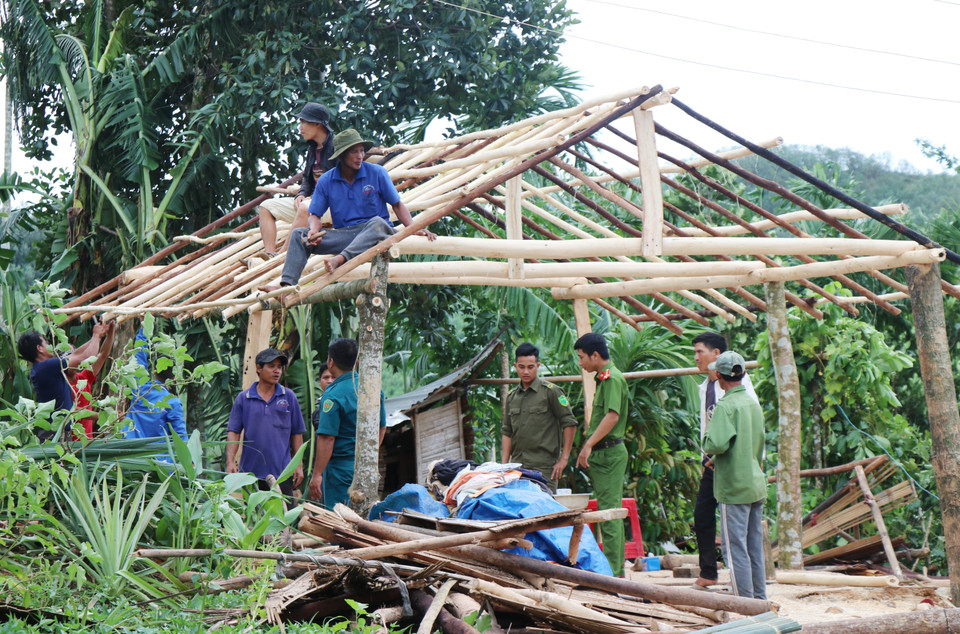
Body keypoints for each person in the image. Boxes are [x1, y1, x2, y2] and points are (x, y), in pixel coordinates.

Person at [260, 128, 437, 292]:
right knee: (300, 235)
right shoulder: (326, 181)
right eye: (354, 152)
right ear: (341, 155)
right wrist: (314, 231)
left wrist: (414, 228)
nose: (360, 156)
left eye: (362, 151)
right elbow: (314, 215)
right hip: (346, 236)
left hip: (377, 233)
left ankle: (340, 260)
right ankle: (285, 286)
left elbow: (397, 205)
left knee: (377, 222)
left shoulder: (377, 173)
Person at [691, 332, 758, 589]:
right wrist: (705, 458)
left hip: (733, 464)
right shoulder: (706, 386)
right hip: (710, 463)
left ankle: (743, 582)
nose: (696, 357)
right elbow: (707, 426)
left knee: (736, 527)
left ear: (717, 355)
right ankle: (708, 571)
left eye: (700, 352)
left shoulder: (739, 387)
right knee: (702, 514)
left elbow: (750, 425)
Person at [702, 351, 767, 600]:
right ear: (744, 373)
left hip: (734, 488)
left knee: (735, 549)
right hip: (754, 484)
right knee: (753, 548)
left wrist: (709, 439)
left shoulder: (726, 406)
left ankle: (744, 603)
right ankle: (759, 600)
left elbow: (714, 444)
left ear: (718, 375)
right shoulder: (752, 403)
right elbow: (750, 444)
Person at [574, 333, 629, 577]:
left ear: (595, 355)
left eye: (582, 357)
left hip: (609, 454)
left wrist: (588, 445)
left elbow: (612, 416)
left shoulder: (612, 379)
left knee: (609, 514)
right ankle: (613, 570)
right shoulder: (604, 379)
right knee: (608, 512)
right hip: (603, 454)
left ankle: (613, 573)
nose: (581, 363)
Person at [309, 338, 386, 510]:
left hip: (339, 471)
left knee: (340, 522)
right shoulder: (373, 388)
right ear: (357, 362)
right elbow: (381, 428)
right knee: (364, 518)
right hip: (367, 468)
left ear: (331, 361)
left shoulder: (333, 395)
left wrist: (317, 474)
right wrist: (368, 456)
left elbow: (327, 438)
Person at [257, 102, 335, 255]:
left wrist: (310, 198)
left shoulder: (336, 146)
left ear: (317, 124)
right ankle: (270, 253)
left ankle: (282, 257)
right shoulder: (313, 148)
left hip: (332, 206)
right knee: (266, 206)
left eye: (303, 122)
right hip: (310, 206)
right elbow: (307, 179)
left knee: (305, 206)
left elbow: (337, 184)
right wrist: (301, 194)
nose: (300, 127)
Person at [226, 349, 305, 496]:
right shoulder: (244, 398)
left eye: (280, 367)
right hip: (250, 475)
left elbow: (296, 434)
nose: (277, 371)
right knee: (255, 517)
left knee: (282, 516)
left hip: (283, 473)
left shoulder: (289, 397)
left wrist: (298, 465)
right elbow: (234, 432)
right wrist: (230, 461)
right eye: (271, 366)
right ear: (258, 368)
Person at [501, 342, 577, 492]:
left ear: (538, 365)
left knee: (544, 508)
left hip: (545, 468)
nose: (526, 372)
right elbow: (507, 432)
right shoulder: (511, 397)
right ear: (515, 366)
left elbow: (570, 423)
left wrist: (564, 459)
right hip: (517, 468)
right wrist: (504, 466)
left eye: (531, 367)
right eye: (521, 367)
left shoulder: (552, 392)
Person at [17, 321, 112, 441]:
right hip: (55, 435)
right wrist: (96, 336)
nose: (49, 346)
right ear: (39, 348)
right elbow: (84, 358)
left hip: (59, 433)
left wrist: (100, 335)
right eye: (46, 343)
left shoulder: (43, 368)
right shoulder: (47, 366)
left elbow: (76, 354)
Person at [122, 328, 189, 460]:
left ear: (154, 372)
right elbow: (181, 437)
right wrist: (190, 462)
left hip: (132, 459)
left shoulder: (139, 389)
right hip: (161, 466)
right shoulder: (173, 403)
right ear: (174, 377)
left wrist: (143, 328)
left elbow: (138, 357)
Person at [67, 319, 117, 439]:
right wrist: (102, 416)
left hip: (85, 442)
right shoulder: (61, 384)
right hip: (69, 443)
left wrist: (111, 331)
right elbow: (72, 410)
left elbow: (103, 354)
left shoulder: (84, 377)